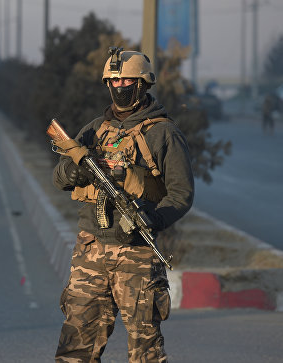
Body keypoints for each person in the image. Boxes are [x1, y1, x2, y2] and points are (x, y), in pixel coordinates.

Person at [52, 48, 194, 362]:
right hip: (90, 252)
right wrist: (72, 170)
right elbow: (59, 177)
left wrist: (153, 218)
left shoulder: (164, 134)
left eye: (127, 79)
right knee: (75, 347)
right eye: (113, 81)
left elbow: (181, 194)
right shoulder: (93, 130)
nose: (120, 86)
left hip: (138, 256)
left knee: (145, 352)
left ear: (143, 84)